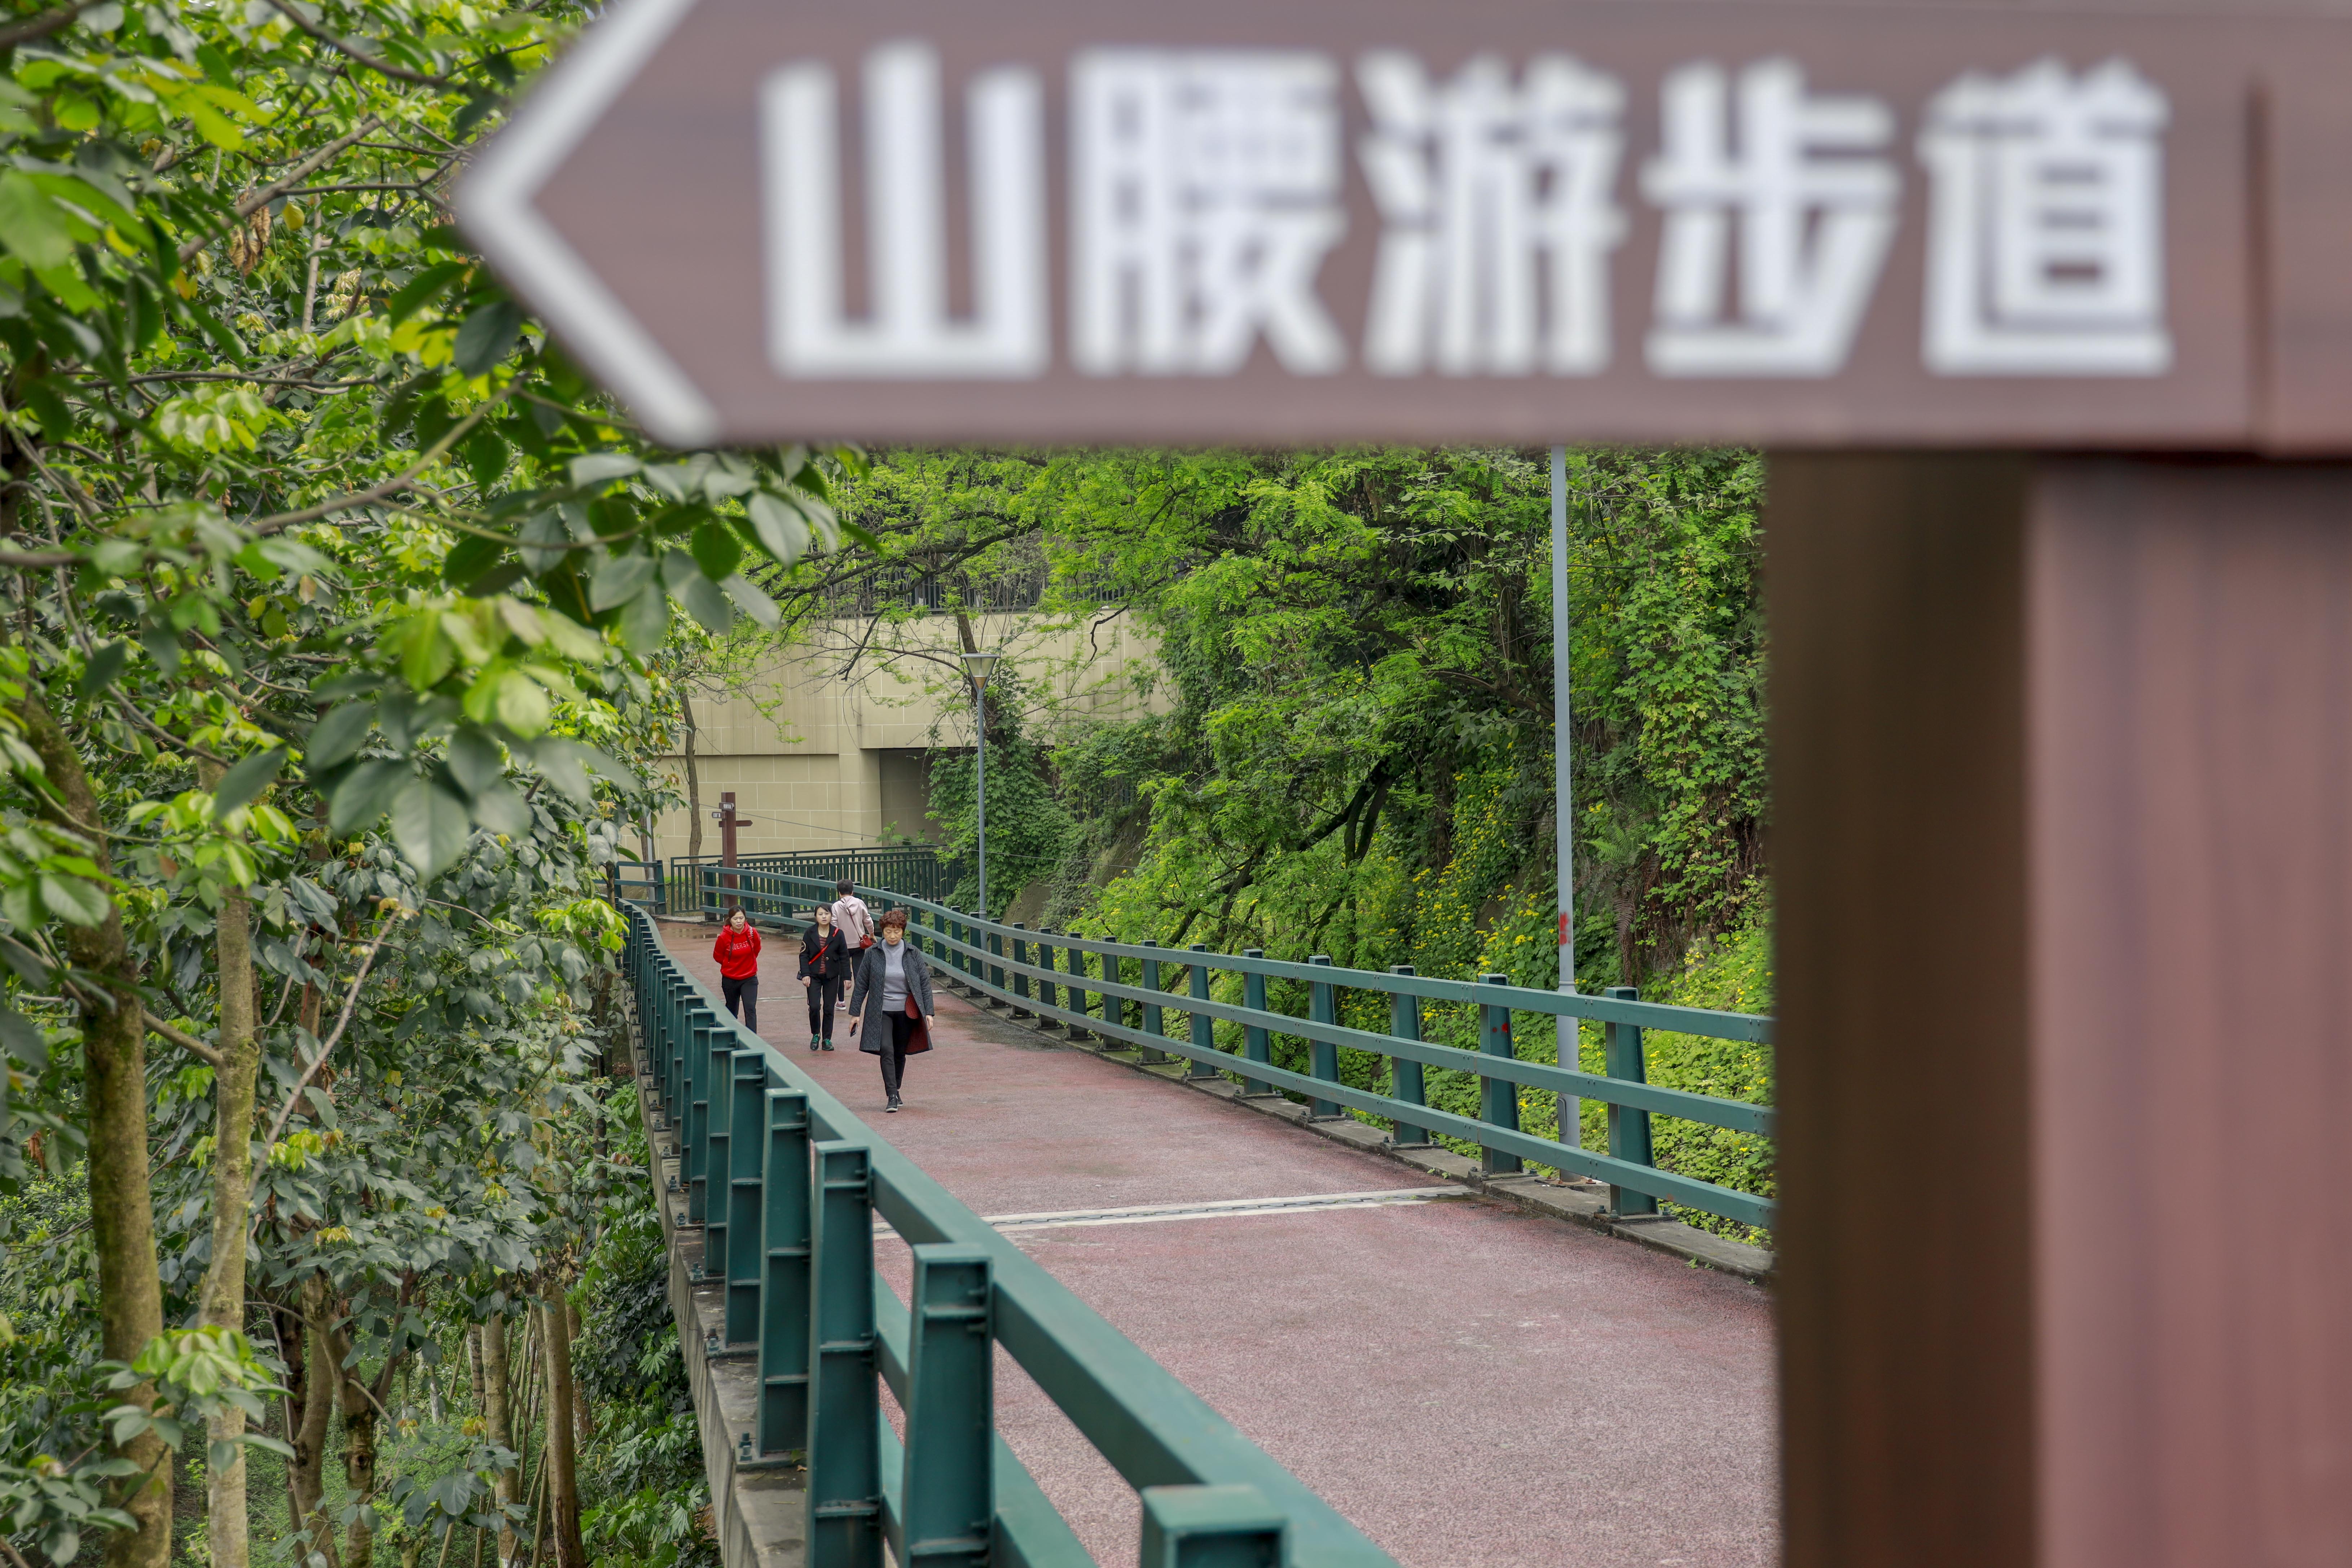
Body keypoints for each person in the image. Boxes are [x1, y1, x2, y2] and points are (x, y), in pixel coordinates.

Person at [846, 908, 935, 1112]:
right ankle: (892, 1095)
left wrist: (929, 1012)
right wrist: (855, 1014)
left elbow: (924, 984)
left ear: (903, 931)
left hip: (906, 1011)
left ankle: (897, 1088)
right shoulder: (873, 954)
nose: (892, 936)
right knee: (886, 1049)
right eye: (888, 932)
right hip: (881, 1010)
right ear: (882, 932)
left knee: (900, 1053)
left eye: (896, 931)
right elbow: (862, 985)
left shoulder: (913, 954)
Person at [797, 903, 849, 1052]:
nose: (824, 917)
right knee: (814, 1006)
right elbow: (804, 955)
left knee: (829, 1008)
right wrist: (805, 974)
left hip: (832, 976)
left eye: (826, 914)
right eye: (820, 914)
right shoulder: (809, 933)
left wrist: (847, 977)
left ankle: (827, 1039)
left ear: (831, 916)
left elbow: (844, 957)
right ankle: (816, 1034)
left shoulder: (838, 934)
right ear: (816, 916)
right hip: (813, 976)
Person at [712, 907, 761, 1029]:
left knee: (750, 1009)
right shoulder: (724, 937)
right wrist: (730, 965)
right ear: (730, 920)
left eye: (741, 918)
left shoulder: (752, 932)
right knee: (732, 1010)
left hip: (749, 977)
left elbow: (757, 949)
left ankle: (752, 1039)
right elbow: (717, 956)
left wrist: (749, 962)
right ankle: (730, 1035)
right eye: (735, 919)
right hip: (730, 979)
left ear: (745, 919)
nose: (739, 921)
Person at [832, 879, 876, 951]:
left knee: (844, 962)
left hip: (843, 943)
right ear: (852, 892)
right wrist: (872, 933)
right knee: (859, 963)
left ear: (839, 893)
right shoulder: (860, 903)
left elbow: (834, 925)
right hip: (860, 942)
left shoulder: (836, 906)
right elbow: (868, 921)